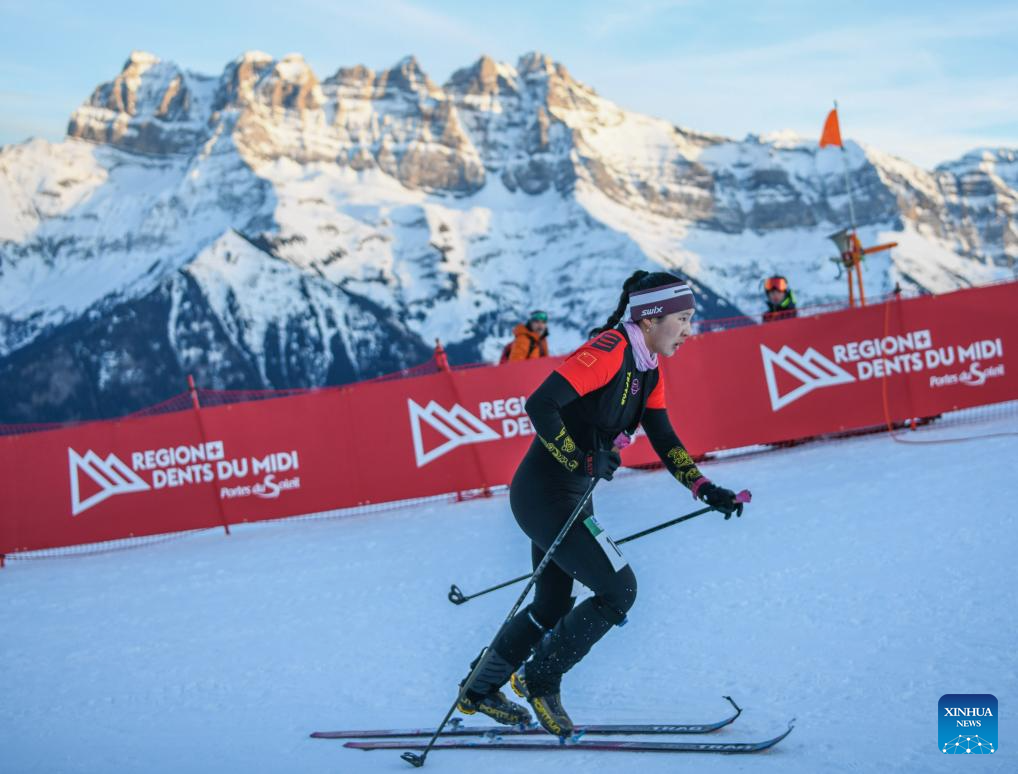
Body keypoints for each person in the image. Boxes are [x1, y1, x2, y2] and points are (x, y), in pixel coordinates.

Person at [457, 271, 749, 736]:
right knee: (619, 590)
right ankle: (539, 679)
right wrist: (579, 457)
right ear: (650, 320)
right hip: (544, 496)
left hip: (571, 499)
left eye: (690, 319)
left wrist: (703, 487)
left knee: (552, 604)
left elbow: (664, 438)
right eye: (682, 319)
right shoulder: (611, 350)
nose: (688, 330)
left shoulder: (649, 368)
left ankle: (479, 688)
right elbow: (540, 405)